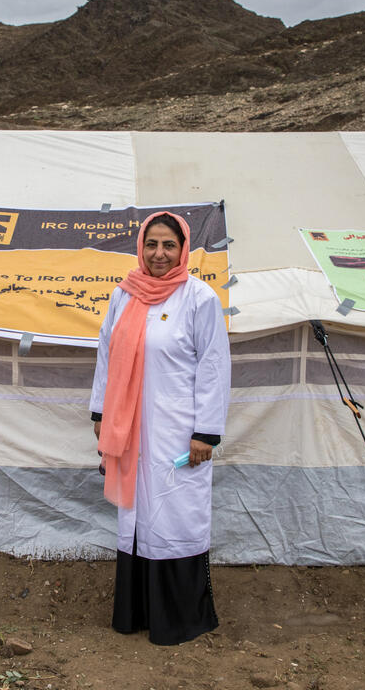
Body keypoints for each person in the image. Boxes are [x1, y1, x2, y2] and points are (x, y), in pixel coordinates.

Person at [89, 210, 231, 646]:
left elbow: (213, 367)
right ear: (140, 246)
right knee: (135, 518)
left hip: (177, 433)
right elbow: (107, 355)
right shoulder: (124, 295)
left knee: (174, 517)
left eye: (169, 245)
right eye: (151, 244)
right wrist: (100, 415)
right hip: (130, 432)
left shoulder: (199, 298)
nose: (159, 254)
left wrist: (206, 432)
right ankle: (136, 613)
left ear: (183, 249)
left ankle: (180, 618)